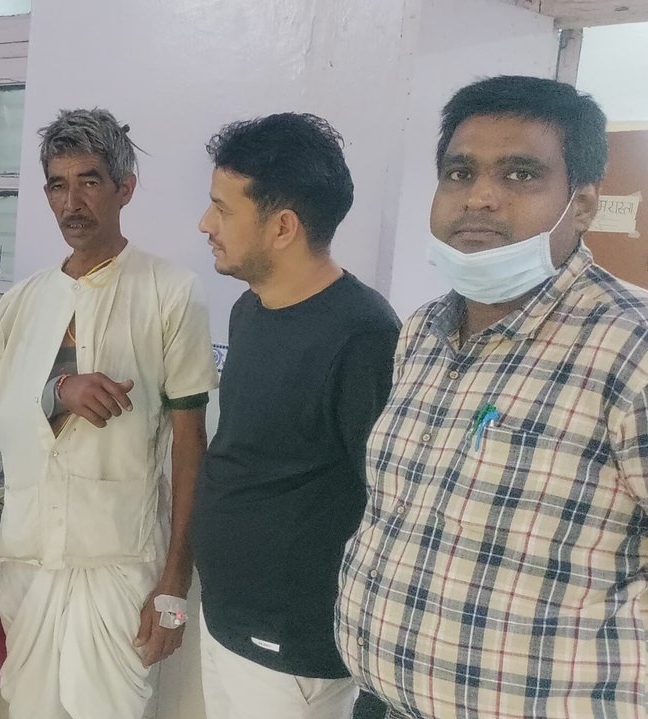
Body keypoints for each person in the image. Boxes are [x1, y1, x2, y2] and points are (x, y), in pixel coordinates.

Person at [337, 75, 648, 718]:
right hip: (384, 703)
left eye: (521, 174)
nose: (480, 196)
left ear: (581, 205)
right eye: (459, 172)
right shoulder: (422, 331)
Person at [0, 108, 218, 718]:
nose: (72, 202)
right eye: (57, 184)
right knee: (30, 707)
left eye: (89, 181)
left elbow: (190, 444)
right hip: (30, 554)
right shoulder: (24, 299)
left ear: (125, 189)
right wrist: (59, 391)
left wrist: (174, 586)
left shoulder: (171, 291)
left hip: (120, 558)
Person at [190, 113, 399, 719]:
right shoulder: (249, 310)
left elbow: (387, 504)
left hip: (294, 651)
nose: (205, 224)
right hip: (226, 620)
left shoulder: (363, 336)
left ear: (282, 226)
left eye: (222, 209)